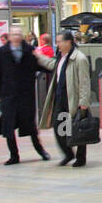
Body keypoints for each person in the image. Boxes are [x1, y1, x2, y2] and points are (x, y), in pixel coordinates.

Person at [0, 25, 50, 164]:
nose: (16, 37)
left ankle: (41, 150)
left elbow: (41, 66)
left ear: (22, 36)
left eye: (18, 34)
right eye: (14, 34)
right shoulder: (2, 52)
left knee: (30, 125)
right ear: (9, 36)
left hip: (25, 95)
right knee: (8, 126)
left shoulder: (30, 51)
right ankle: (14, 155)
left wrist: (51, 64)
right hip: (8, 95)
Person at [38, 30, 91, 167]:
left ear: (69, 42)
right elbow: (52, 65)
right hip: (61, 98)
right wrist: (39, 57)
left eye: (59, 41)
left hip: (74, 99)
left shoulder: (79, 58)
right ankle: (68, 153)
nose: (57, 44)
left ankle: (81, 157)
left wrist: (84, 102)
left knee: (78, 127)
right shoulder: (61, 57)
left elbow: (84, 82)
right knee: (60, 127)